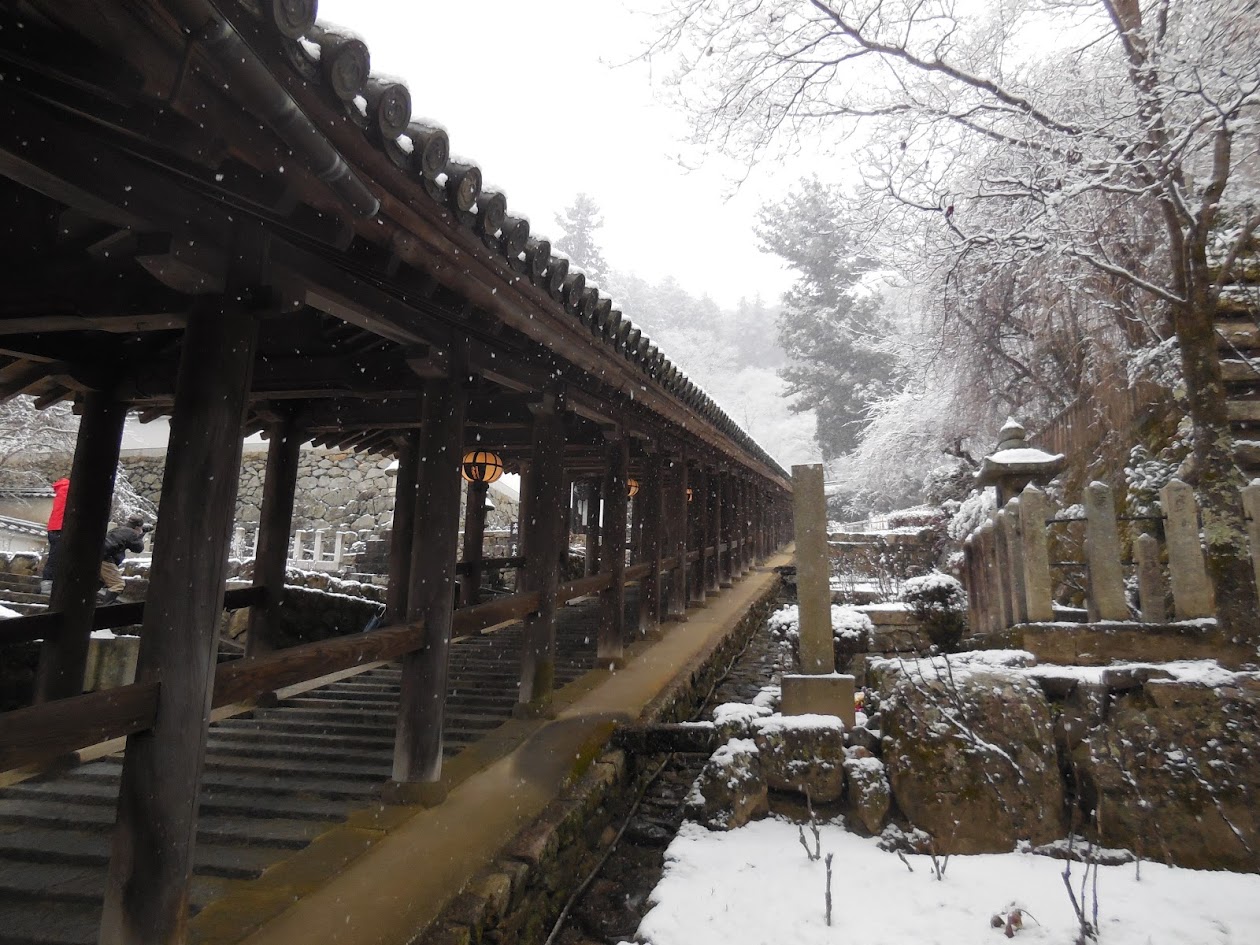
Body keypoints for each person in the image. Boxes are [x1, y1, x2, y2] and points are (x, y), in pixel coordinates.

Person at [100, 514, 151, 605]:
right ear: (137, 527)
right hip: (106, 560)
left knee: (100, 582)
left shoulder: (118, 529)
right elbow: (138, 548)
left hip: (100, 556)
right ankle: (104, 609)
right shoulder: (131, 533)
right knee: (118, 584)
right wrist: (141, 534)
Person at [39, 476, 70, 595]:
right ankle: (48, 585)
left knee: (54, 555)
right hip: (61, 527)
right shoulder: (69, 490)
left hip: (53, 527)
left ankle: (48, 584)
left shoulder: (62, 489)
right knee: (57, 557)